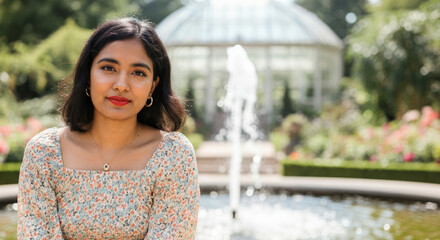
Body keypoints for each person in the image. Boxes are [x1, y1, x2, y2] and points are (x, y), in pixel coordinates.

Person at [17, 17, 200, 239]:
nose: (121, 84)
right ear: (88, 76)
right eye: (108, 68)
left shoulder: (173, 155)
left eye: (138, 73)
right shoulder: (45, 153)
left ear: (153, 86)